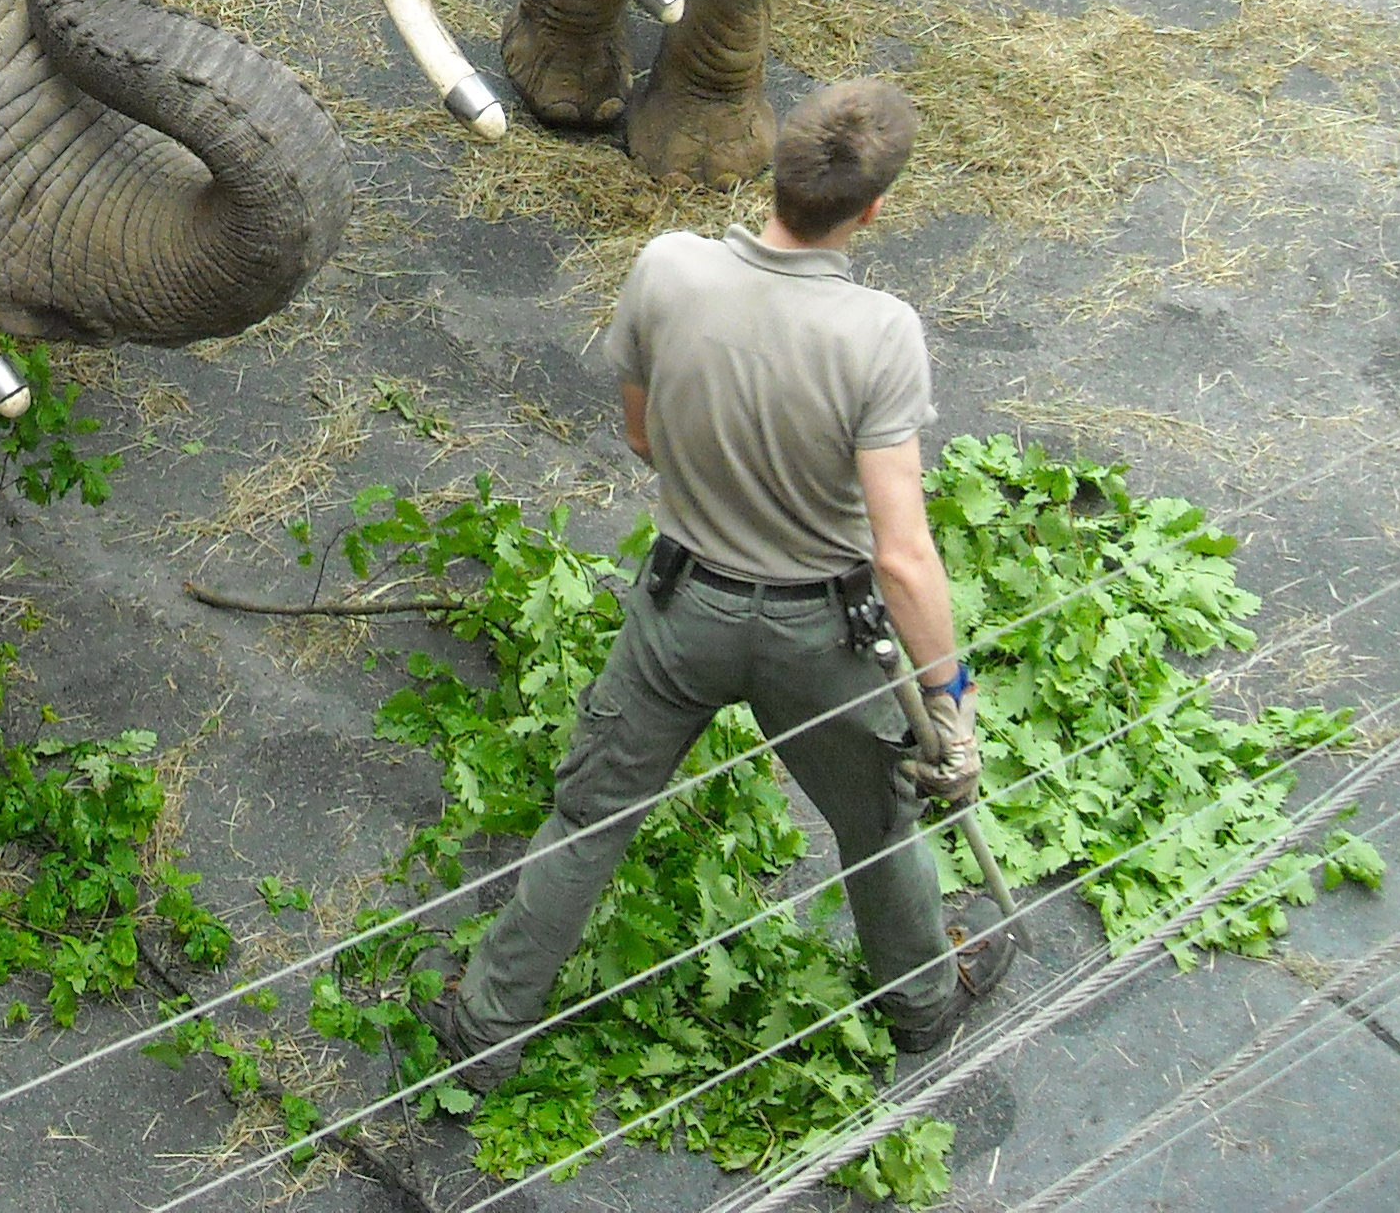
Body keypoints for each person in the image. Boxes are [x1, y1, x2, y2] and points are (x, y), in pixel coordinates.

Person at [419, 79, 1010, 1071]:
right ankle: (920, 1004)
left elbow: (643, 436)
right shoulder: (880, 334)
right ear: (873, 209)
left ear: (773, 170)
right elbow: (903, 556)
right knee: (878, 821)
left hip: (678, 609)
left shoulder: (667, 271)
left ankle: (484, 1027)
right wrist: (947, 699)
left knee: (590, 813)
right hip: (823, 639)